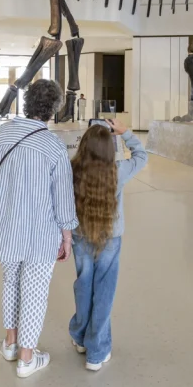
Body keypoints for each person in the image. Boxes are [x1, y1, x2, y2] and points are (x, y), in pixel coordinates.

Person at [0, 79, 77, 379]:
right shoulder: (53, 146)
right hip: (41, 232)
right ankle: (27, 358)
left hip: (5, 226)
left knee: (10, 280)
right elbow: (63, 198)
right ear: (55, 108)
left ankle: (10, 343)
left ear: (27, 102)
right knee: (34, 290)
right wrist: (67, 234)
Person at [68, 119, 148, 371]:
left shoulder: (72, 170)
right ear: (108, 148)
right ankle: (97, 350)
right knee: (104, 291)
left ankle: (80, 337)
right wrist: (125, 133)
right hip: (110, 236)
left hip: (80, 234)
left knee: (83, 285)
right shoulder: (119, 170)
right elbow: (142, 155)